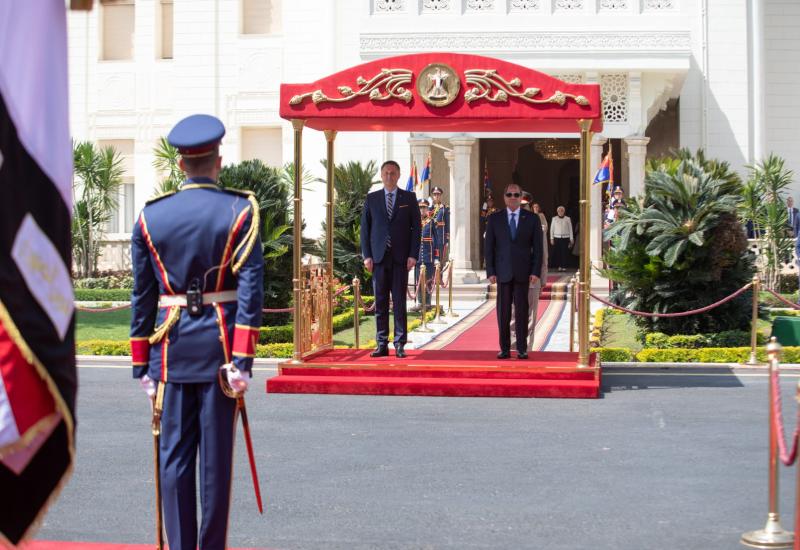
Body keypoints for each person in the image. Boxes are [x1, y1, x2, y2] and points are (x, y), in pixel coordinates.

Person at [129, 114, 264, 550]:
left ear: (181, 164)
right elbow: (250, 293)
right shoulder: (239, 210)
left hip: (168, 353)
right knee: (215, 468)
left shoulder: (152, 216)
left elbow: (142, 297)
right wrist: (242, 361)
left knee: (174, 462)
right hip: (222, 355)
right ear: (217, 159)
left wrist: (140, 365)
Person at [360, 160, 421, 358]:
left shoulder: (409, 198)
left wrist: (413, 255)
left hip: (401, 258)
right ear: (381, 175)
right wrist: (367, 256)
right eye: (386, 173)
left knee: (400, 302)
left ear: (398, 175)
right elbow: (365, 230)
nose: (389, 176)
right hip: (378, 258)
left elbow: (416, 230)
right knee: (380, 301)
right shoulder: (372, 198)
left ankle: (400, 343)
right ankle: (381, 343)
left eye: (393, 173)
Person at [484, 183, 543, 360]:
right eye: (509, 194)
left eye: (516, 195)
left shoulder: (532, 219)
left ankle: (522, 349)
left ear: (521, 198)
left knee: (522, 311)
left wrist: (535, 271)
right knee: (503, 312)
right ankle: (504, 348)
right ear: (504, 197)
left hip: (523, 272)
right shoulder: (495, 219)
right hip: (502, 272)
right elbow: (489, 248)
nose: (512, 198)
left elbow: (538, 248)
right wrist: (490, 271)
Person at [511, 196, 549, 352]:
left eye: (525, 207)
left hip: (532, 278)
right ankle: (513, 347)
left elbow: (543, 255)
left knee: (530, 317)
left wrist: (543, 280)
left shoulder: (538, 228)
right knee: (514, 315)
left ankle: (526, 349)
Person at [415, 198, 437, 311]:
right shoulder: (414, 221)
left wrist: (437, 257)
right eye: (420, 207)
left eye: (424, 207)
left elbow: (436, 240)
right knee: (418, 281)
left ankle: (427, 303)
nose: (422, 210)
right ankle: (419, 302)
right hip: (417, 257)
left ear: (427, 208)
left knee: (428, 281)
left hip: (429, 257)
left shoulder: (431, 222)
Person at [550, 205, 573, 272]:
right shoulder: (554, 219)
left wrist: (571, 238)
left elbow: (570, 229)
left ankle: (564, 266)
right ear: (557, 211)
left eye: (562, 210)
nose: (560, 212)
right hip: (557, 238)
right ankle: (559, 266)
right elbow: (552, 229)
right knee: (558, 252)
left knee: (564, 252)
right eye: (559, 211)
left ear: (564, 211)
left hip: (565, 237)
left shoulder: (568, 219)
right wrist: (551, 238)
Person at [431, 185, 450, 262]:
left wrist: (447, 239)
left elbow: (447, 224)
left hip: (440, 237)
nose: (436, 196)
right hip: (431, 237)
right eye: (435, 194)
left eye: (438, 194)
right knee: (432, 258)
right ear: (433, 196)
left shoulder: (445, 208)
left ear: (440, 196)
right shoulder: (429, 208)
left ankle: (440, 274)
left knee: (439, 259)